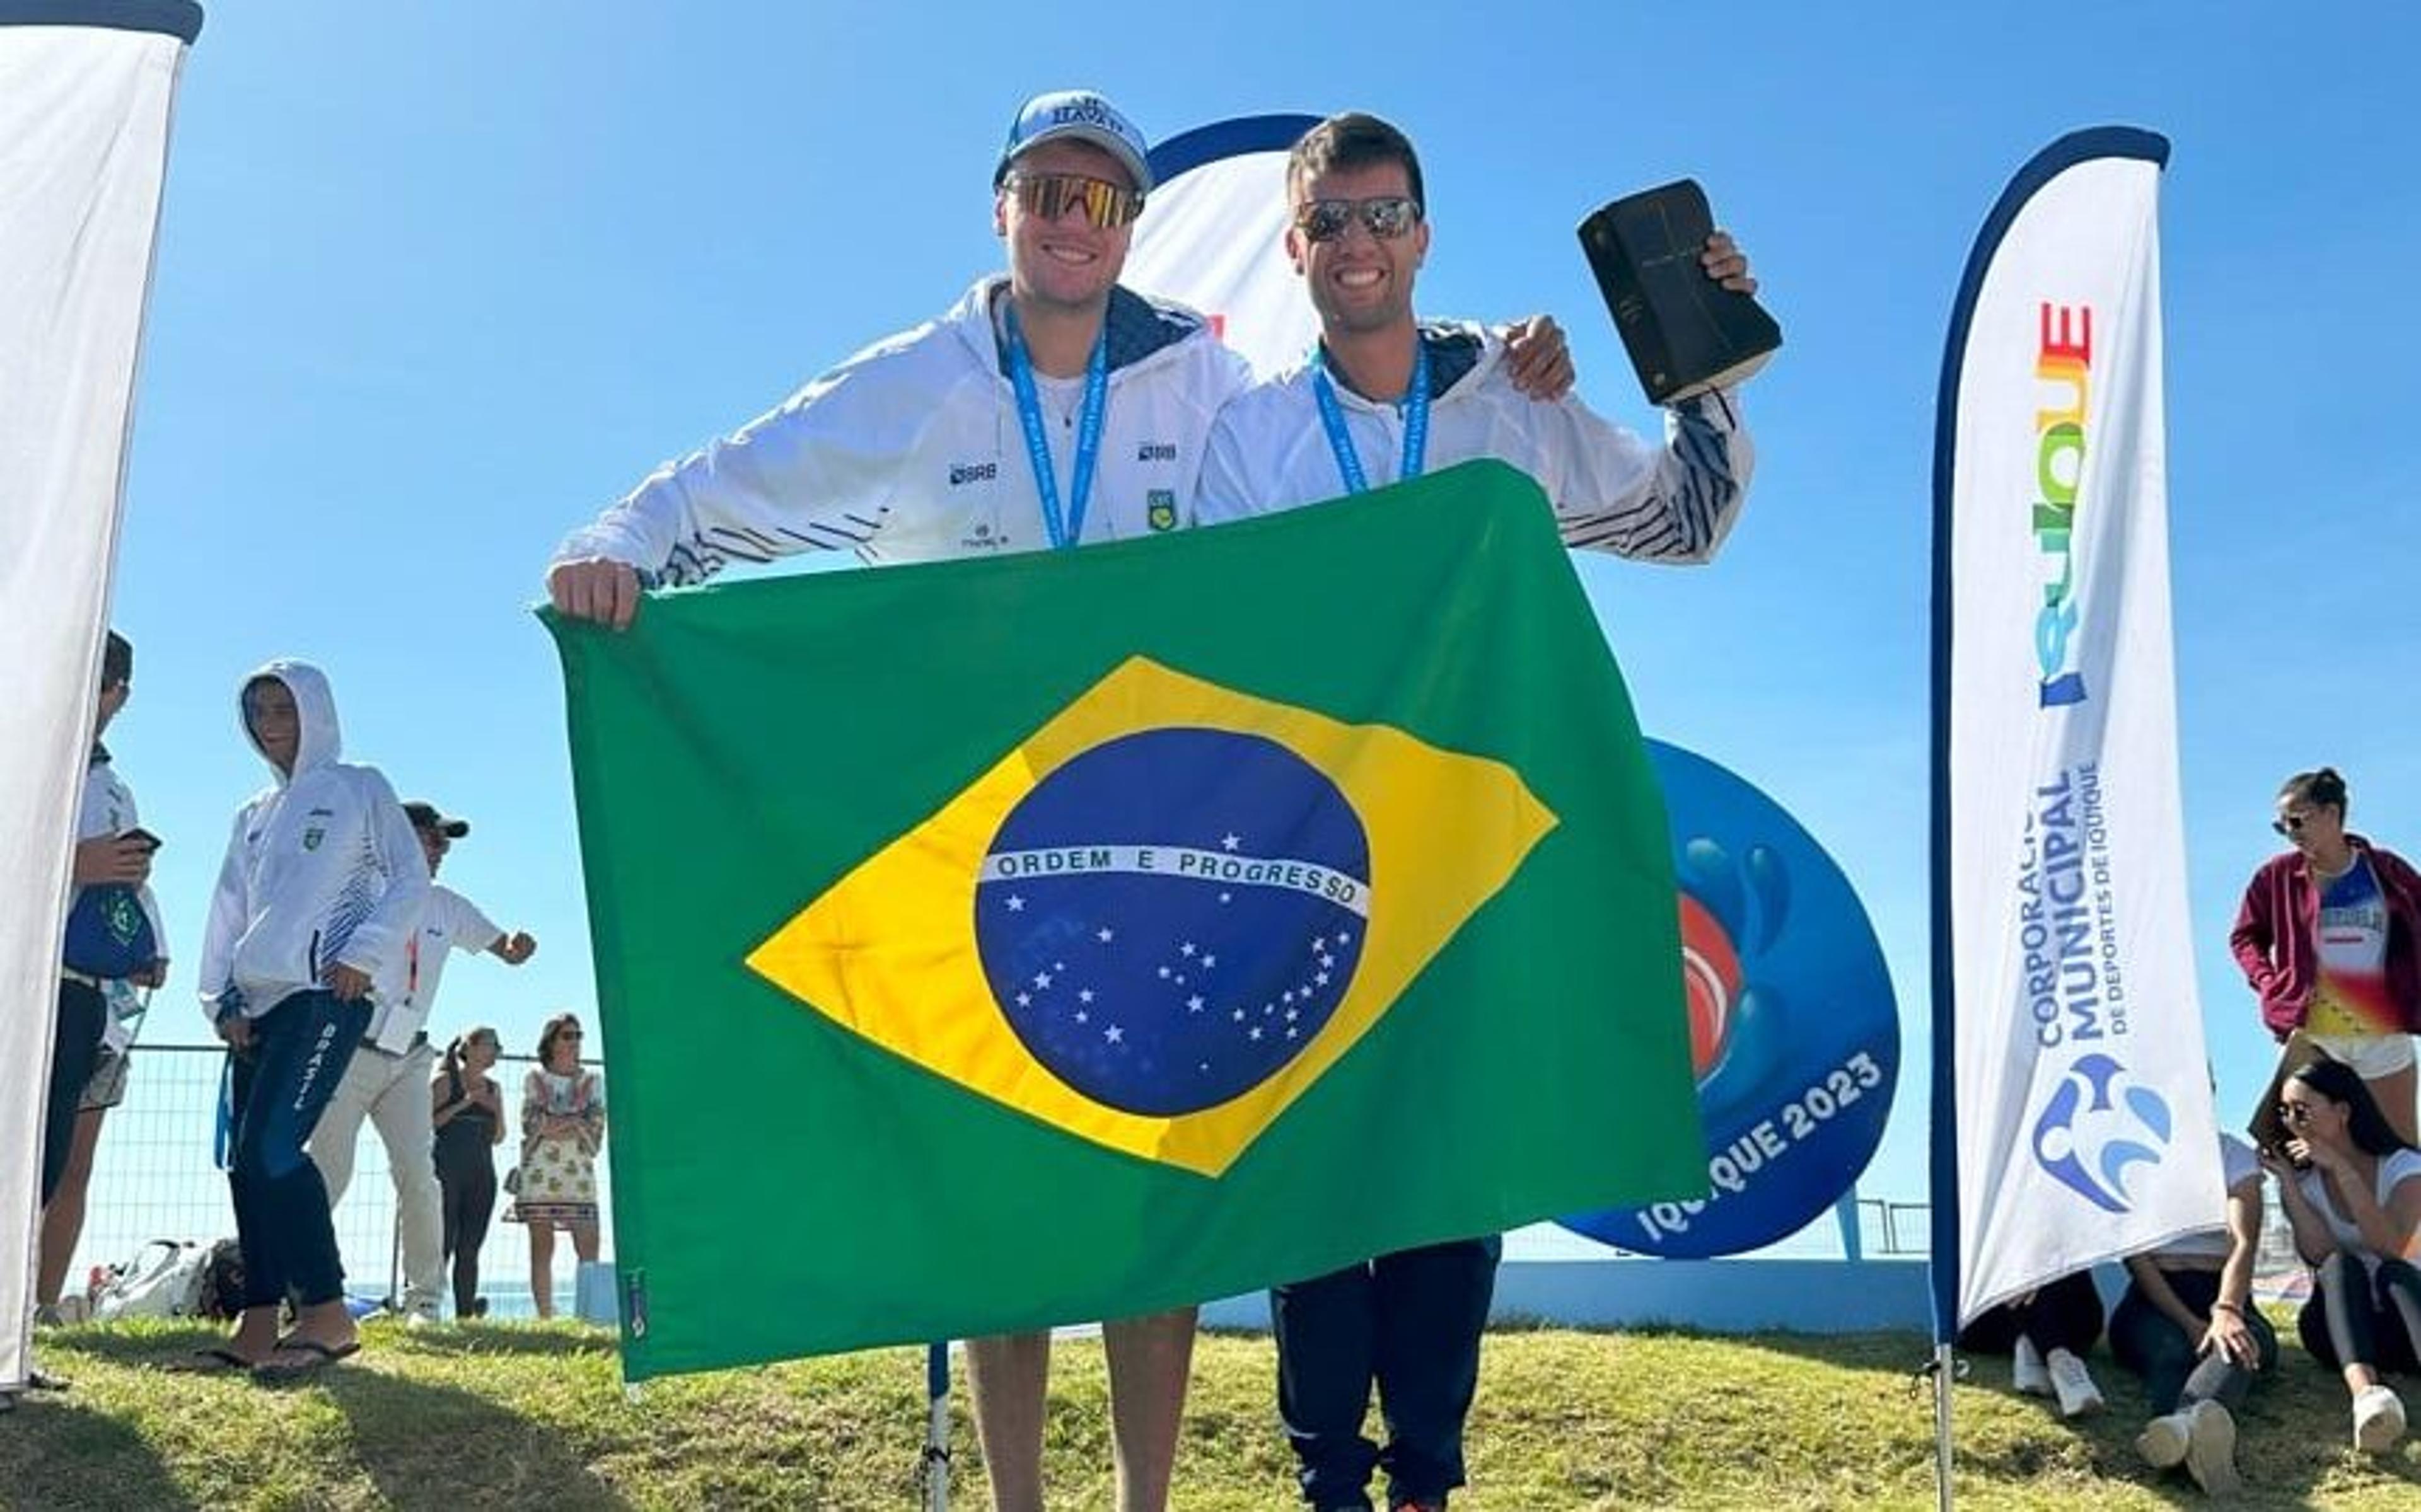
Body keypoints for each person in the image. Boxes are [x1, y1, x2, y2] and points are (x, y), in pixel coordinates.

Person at [543, 89, 1572, 1512]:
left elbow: (1350, 429)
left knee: (1149, 1224)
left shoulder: (1201, 382)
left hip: (1158, 853)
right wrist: (621, 540)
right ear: (1002, 208)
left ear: (1133, 222)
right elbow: (744, 478)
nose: (1072, 223)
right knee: (1003, 1224)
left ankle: (1142, 1501)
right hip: (978, 856)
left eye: (1101, 200)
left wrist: (1490, 356)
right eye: (1047, 193)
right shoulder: (916, 379)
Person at [1193, 112, 1761, 1512]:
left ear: (1425, 233)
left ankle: (1427, 1482)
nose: (1360, 244)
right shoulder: (1252, 436)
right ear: (1296, 246)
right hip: (1309, 867)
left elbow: (1684, 523)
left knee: (1455, 1178)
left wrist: (1711, 359)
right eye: (1332, 222)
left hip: (1474, 868)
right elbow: (1198, 647)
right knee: (1319, 1181)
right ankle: (1329, 1476)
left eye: (1386, 216)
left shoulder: (1512, 399)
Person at [189, 660, 429, 1382]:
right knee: (244, 1164)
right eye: (258, 711)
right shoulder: (252, 815)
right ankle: (259, 1319)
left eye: (283, 708)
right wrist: (219, 1000)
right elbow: (229, 911)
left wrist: (365, 952)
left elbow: (409, 878)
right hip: (255, 1004)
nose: (270, 724)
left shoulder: (360, 787)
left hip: (327, 993)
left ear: (315, 710)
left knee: (275, 1149)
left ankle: (327, 1310)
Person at [307, 799, 535, 1324]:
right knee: (327, 1173)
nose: (441, 851)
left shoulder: (445, 905)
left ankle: (425, 1301)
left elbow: (504, 947)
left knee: (419, 1175)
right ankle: (300, 1290)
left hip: (410, 1057)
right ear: (397, 839)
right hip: (349, 1052)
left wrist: (518, 946)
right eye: (433, 840)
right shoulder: (356, 892)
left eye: (444, 843)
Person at [37, 630, 168, 1322]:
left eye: (105, 680)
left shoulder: (115, 786)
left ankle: (34, 1315)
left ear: (120, 693)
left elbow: (128, 881)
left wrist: (152, 946)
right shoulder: (22, 745)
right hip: (27, 983)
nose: (96, 693)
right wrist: (66, 863)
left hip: (91, 995)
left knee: (61, 1162)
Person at [2232, 767, 2421, 1146]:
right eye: (2281, 825)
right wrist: (2270, 984)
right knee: (2303, 1151)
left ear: (2332, 814)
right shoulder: (2275, 878)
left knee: (2400, 1151)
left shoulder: (2384, 870)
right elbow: (2245, 938)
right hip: (2316, 1033)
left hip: (2381, 1030)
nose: (2290, 832)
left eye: (2297, 820)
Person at [2265, 1052, 2421, 1451]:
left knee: (2393, 1273)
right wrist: (2288, 1183)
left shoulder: (2403, 1169)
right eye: (2284, 1112)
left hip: (2409, 1313)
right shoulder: (2307, 1181)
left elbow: (2393, 1247)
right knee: (2339, 1265)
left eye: (2302, 1111)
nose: (2291, 1123)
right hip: (2346, 1325)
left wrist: (2344, 1169)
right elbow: (2320, 1255)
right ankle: (2367, 1398)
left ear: (2343, 1111)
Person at [2113, 1130, 2274, 1496]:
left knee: (2236, 1343)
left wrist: (2228, 1309)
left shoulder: (2233, 1154)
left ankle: (2177, 1432)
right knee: (2172, 1351)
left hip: (2221, 1289)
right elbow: (2135, 1255)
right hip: (2154, 1296)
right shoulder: (2130, 1149)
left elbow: (2244, 1240)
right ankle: (2188, 1436)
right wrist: (2188, 1322)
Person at [506, 1012, 605, 1319]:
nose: (574, 1042)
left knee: (588, 1242)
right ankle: (545, 1314)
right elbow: (531, 1122)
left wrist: (559, 1123)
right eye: (567, 1035)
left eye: (578, 1035)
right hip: (541, 1171)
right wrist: (574, 1121)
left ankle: (588, 1314)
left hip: (579, 1172)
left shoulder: (593, 1080)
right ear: (551, 1041)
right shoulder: (535, 1078)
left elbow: (596, 1123)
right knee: (541, 1245)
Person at [1956, 1274, 2108, 1421]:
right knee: (2018, 1276)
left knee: (2051, 1273)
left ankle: (2032, 1345)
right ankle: (2059, 1358)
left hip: (2068, 1309)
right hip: (1986, 1312)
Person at [432, 1025, 508, 1319]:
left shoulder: (494, 1088)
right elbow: (427, 1126)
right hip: (447, 1171)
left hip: (482, 1174)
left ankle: (465, 1313)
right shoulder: (444, 1082)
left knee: (471, 1247)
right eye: (492, 1045)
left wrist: (494, 1108)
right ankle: (428, 1308)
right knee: (443, 1243)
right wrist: (463, 1104)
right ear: (471, 1048)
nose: (496, 1052)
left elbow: (499, 1137)